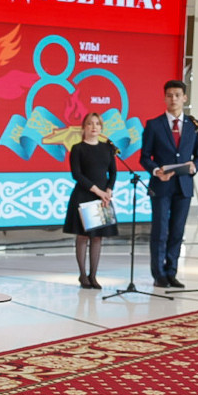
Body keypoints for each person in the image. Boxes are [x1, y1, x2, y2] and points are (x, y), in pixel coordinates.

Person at [139, 79, 198, 288]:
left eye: (177, 95)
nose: (173, 99)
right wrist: (156, 170)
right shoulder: (154, 124)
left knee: (177, 231)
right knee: (160, 231)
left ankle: (171, 272)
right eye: (169, 95)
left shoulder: (194, 125)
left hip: (184, 186)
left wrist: (194, 166)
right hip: (161, 185)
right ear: (164, 98)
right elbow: (145, 157)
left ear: (184, 98)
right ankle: (158, 274)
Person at [63, 112, 118, 289]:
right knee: (83, 236)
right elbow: (77, 175)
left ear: (101, 127)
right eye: (90, 123)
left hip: (103, 197)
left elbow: (113, 172)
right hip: (84, 195)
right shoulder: (78, 148)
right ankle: (82, 275)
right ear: (84, 127)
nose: (94, 127)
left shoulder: (107, 148)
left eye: (97, 124)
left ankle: (93, 275)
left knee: (97, 238)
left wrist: (108, 191)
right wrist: (98, 191)